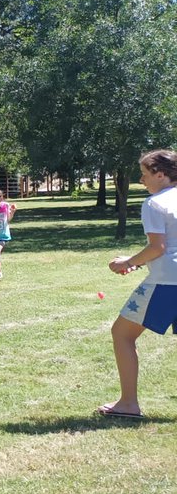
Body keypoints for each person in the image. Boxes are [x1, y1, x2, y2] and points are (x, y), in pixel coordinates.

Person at [100, 150, 177, 419]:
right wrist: (136, 262)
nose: (141, 180)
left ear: (161, 174)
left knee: (122, 334)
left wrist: (127, 262)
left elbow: (158, 247)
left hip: (167, 282)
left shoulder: (154, 203)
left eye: (144, 174)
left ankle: (129, 404)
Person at [0, 189, 16, 278]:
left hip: (3, 235)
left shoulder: (5, 205)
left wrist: (12, 212)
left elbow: (8, 219)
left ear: (1, 197)